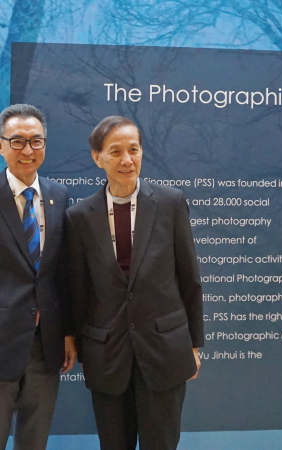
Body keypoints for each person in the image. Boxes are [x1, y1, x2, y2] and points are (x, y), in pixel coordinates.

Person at [66, 116, 203, 450]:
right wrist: (75, 342)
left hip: (164, 352)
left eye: (133, 150)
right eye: (115, 151)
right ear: (97, 157)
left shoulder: (170, 203)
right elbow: (78, 290)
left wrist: (193, 345)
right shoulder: (79, 217)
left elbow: (190, 279)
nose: (126, 159)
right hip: (107, 356)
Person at [0, 104, 76, 450]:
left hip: (45, 344)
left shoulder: (59, 195)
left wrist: (67, 333)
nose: (27, 150)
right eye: (17, 141)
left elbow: (62, 272)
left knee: (34, 441)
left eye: (36, 141)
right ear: (2, 146)